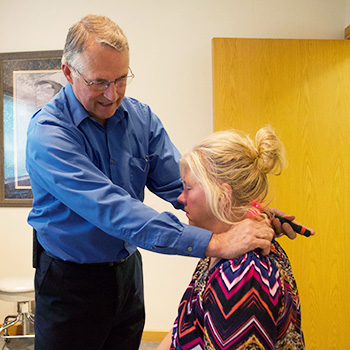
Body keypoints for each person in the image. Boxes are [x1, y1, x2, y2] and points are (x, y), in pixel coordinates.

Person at [26, 15, 311, 350]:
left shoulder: (141, 119)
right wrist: (215, 242)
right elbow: (114, 210)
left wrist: (243, 212)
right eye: (99, 82)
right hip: (69, 283)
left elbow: (187, 187)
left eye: (121, 79)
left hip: (127, 273)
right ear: (68, 72)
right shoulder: (49, 135)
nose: (112, 94)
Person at [157, 126, 305, 350]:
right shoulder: (223, 247)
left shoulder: (243, 277)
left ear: (222, 196)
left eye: (188, 188)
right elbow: (185, 327)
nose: (180, 197)